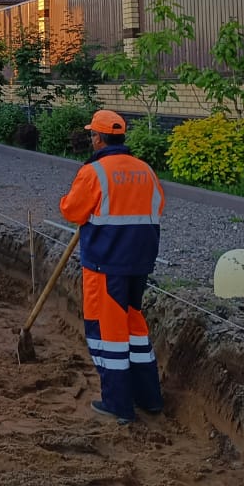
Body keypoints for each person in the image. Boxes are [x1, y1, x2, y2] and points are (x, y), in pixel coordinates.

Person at [59, 109, 165, 425]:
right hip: (140, 264)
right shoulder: (145, 170)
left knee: (109, 335)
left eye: (93, 134)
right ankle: (149, 398)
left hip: (106, 265)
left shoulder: (95, 172)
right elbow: (157, 206)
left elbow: (71, 210)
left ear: (98, 138)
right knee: (135, 330)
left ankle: (118, 404)